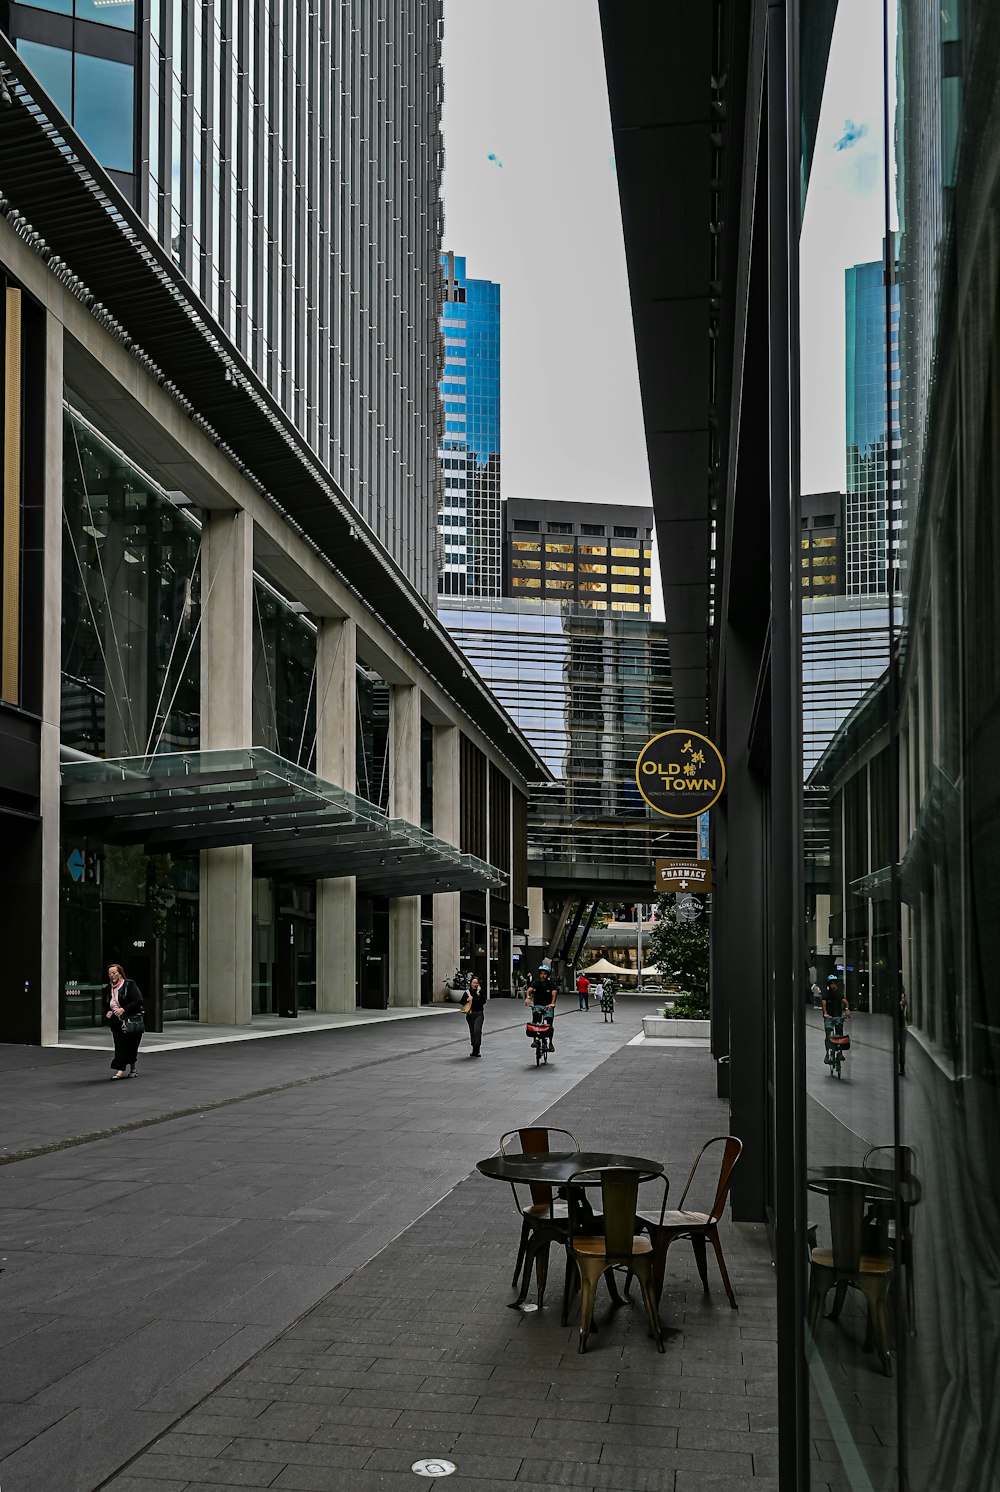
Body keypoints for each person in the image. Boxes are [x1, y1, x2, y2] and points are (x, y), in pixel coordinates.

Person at [103, 962, 144, 1080]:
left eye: (114, 973)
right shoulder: (108, 988)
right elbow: (106, 1005)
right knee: (120, 1045)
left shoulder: (129, 984)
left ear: (120, 974)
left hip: (131, 1019)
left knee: (132, 1045)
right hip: (116, 1021)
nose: (112, 975)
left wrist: (123, 1009)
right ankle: (120, 1070)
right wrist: (108, 1012)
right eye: (110, 973)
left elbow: (138, 1000)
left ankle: (133, 1067)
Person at [525, 965, 558, 1051]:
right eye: (541, 974)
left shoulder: (551, 984)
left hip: (548, 1006)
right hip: (537, 1006)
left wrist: (552, 1003)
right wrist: (528, 997)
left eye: (544, 974)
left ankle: (550, 1043)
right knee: (535, 1022)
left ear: (548, 975)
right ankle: (535, 1040)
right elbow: (529, 990)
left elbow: (554, 994)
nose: (542, 975)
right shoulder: (536, 982)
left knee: (549, 1024)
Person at [821, 978, 849, 1064]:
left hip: (837, 1016)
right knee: (828, 1035)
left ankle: (840, 1053)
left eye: (834, 983)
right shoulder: (826, 993)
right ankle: (827, 1055)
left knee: (840, 1035)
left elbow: (845, 1001)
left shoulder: (839, 993)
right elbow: (824, 1003)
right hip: (829, 1017)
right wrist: (825, 1013)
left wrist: (847, 1009)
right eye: (831, 984)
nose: (833, 985)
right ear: (829, 985)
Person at [461, 975, 487, 1058]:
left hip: (479, 1014)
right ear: (471, 983)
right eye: (473, 983)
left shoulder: (480, 992)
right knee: (472, 1031)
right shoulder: (467, 992)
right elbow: (461, 1002)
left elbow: (483, 1001)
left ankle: (477, 1048)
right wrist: (467, 1000)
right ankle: (474, 1049)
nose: (475, 984)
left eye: (476, 983)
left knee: (477, 1031)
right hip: (470, 1014)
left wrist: (478, 994)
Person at [897, 983, 908, 1076]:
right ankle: (901, 1067)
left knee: (901, 1048)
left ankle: (902, 1068)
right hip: (900, 1026)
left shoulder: (903, 1002)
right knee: (900, 1049)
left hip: (902, 1026)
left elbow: (903, 1004)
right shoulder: (899, 1002)